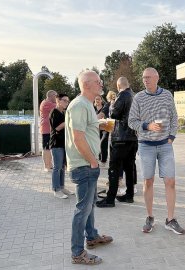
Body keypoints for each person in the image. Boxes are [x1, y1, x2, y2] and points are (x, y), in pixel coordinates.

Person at [128, 67, 185, 235]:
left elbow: (174, 117)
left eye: (149, 77)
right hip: (146, 145)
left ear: (157, 78)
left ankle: (170, 219)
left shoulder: (167, 95)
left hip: (165, 145)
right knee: (148, 181)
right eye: (144, 77)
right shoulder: (138, 97)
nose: (145, 80)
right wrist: (146, 126)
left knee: (170, 181)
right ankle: (150, 217)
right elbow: (132, 121)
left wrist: (171, 137)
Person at [65, 70, 113, 265]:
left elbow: (84, 129)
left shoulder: (86, 105)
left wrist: (99, 124)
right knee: (82, 209)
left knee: (89, 205)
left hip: (87, 164)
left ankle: (91, 236)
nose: (101, 84)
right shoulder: (79, 105)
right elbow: (78, 138)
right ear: (86, 85)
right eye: (97, 81)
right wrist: (93, 161)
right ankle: (77, 253)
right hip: (84, 165)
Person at [96, 77, 138, 207]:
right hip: (132, 138)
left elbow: (114, 114)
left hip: (120, 138)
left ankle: (110, 199)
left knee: (113, 169)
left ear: (118, 86)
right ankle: (129, 195)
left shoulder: (122, 96)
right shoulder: (134, 95)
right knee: (129, 168)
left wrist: (112, 104)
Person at [49, 93, 74, 199]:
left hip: (63, 144)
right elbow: (57, 128)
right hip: (56, 144)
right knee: (57, 167)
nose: (67, 103)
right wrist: (68, 121)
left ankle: (62, 187)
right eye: (65, 100)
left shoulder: (63, 112)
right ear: (58, 101)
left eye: (68, 101)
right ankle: (56, 189)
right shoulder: (54, 112)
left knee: (63, 167)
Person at [40, 90, 57, 172]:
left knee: (48, 148)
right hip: (46, 129)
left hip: (48, 129)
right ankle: (47, 166)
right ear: (51, 96)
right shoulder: (47, 104)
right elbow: (60, 107)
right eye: (55, 96)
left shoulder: (47, 103)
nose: (56, 97)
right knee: (46, 148)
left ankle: (49, 165)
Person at [93, 95, 108, 166]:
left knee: (103, 142)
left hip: (105, 128)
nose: (97, 100)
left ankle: (103, 160)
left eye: (99, 99)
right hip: (96, 128)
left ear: (101, 100)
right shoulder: (93, 108)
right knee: (97, 143)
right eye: (96, 99)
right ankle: (98, 158)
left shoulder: (105, 108)